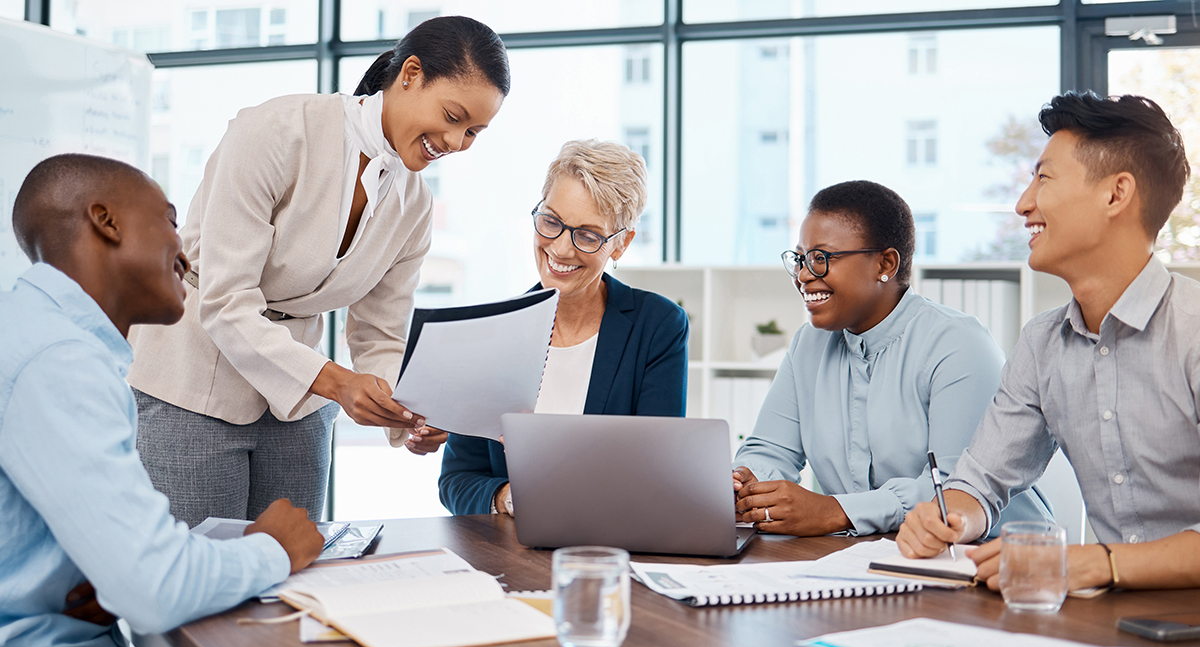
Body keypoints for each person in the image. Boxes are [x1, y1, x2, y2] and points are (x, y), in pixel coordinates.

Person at [1, 153, 324, 647]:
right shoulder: (59, 360)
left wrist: (94, 568)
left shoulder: (37, 335)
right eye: (172, 223)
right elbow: (154, 589)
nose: (187, 253)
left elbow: (131, 566)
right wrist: (274, 549)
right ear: (105, 221)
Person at [126, 16, 509, 527]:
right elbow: (225, 301)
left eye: (474, 132)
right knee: (196, 576)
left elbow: (379, 333)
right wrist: (336, 382)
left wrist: (408, 415)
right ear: (411, 74)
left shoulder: (414, 205)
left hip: (298, 398)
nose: (458, 142)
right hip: (194, 374)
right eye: (453, 116)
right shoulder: (275, 132)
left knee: (295, 574)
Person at [897, 92, 1200, 592]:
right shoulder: (1042, 344)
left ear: (1115, 194)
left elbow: (1096, 565)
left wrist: (1101, 563)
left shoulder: (1192, 330)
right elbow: (980, 483)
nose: (1023, 204)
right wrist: (950, 518)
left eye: (1044, 178)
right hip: (1113, 624)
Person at [732, 180, 1051, 536]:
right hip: (870, 559)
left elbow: (956, 490)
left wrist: (837, 511)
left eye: (821, 259)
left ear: (885, 263)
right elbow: (770, 450)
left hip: (997, 558)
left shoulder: (958, 344)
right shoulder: (808, 345)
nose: (805, 275)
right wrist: (745, 483)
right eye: (801, 259)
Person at [438, 139, 689, 515]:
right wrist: (509, 496)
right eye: (551, 222)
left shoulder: (657, 327)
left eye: (588, 235)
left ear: (620, 245)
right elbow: (457, 480)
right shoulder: (493, 330)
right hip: (511, 552)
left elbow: (657, 470)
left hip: (609, 549)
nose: (561, 249)